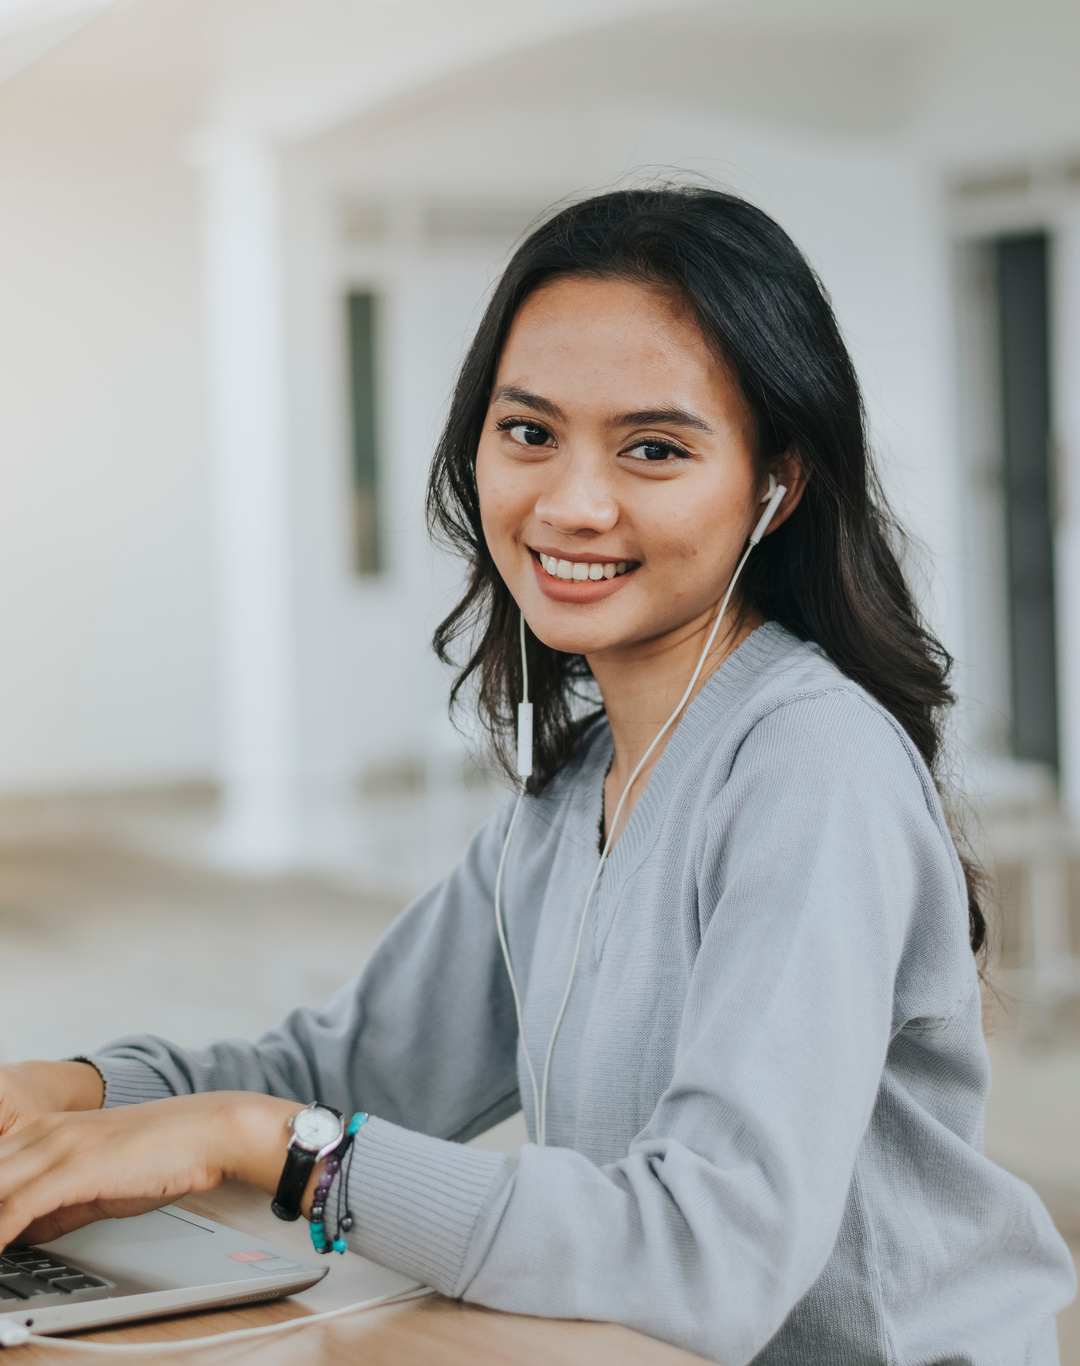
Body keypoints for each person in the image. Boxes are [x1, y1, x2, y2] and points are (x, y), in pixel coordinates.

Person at [0, 186, 1073, 1365]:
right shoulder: (578, 789)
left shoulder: (813, 768)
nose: (571, 502)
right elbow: (340, 1070)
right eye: (529, 432)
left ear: (779, 482)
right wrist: (70, 1094)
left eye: (653, 448)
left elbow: (701, 1252)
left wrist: (275, 1144)